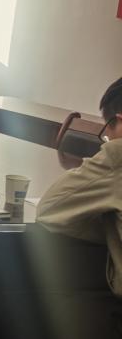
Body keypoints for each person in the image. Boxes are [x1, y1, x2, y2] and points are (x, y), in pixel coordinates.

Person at [39, 77, 122, 297]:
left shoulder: (118, 156)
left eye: (107, 132)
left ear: (119, 121)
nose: (107, 138)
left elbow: (49, 209)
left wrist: (109, 223)